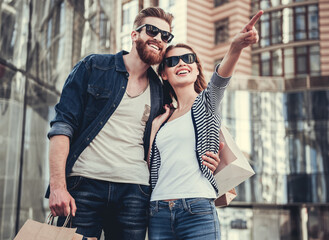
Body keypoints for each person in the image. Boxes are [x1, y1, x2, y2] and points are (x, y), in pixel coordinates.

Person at [46, 7, 220, 240]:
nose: (158, 38)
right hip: (84, 187)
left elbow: (183, 132)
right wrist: (58, 186)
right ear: (134, 34)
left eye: (165, 36)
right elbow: (62, 126)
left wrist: (209, 156)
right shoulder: (94, 66)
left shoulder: (161, 91)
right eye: (152, 30)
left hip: (135, 193)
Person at [147, 10, 263, 240]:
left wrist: (236, 47)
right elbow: (151, 166)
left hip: (197, 208)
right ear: (164, 74)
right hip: (158, 210)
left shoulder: (205, 104)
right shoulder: (162, 117)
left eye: (187, 59)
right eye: (172, 61)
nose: (181, 63)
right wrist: (154, 128)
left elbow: (220, 79)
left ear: (197, 68)